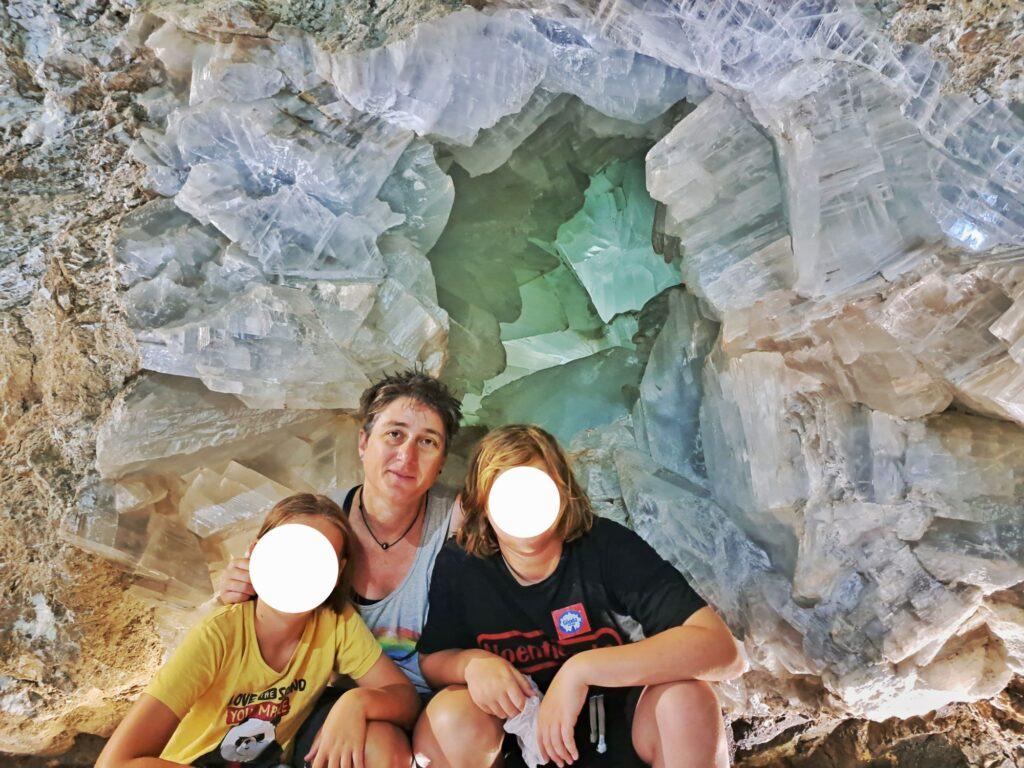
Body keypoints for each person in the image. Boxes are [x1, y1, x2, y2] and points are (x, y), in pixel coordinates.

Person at [413, 425, 746, 768]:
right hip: (523, 743)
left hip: (620, 730)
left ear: (562, 491)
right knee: (450, 715)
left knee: (686, 699)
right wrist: (473, 665)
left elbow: (723, 651)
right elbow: (433, 660)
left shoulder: (606, 547)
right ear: (482, 504)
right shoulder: (463, 565)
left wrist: (580, 670)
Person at [217, 370, 463, 766]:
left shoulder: (456, 522)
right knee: (377, 747)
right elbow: (262, 624)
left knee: (464, 726)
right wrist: (239, 591)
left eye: (427, 442)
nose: (407, 456)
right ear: (364, 442)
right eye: (394, 434)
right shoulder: (318, 529)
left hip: (437, 699)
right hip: (343, 702)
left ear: (441, 462)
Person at [96, 493, 420, 768]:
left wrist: (357, 703)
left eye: (318, 559)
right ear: (258, 553)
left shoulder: (335, 622)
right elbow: (115, 763)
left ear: (338, 572)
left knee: (381, 740)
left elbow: (403, 699)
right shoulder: (219, 635)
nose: (299, 568)